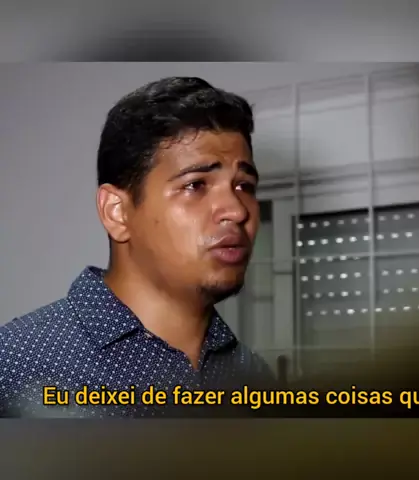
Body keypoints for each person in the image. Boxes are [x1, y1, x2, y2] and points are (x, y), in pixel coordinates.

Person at [0, 76, 275, 418]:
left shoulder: (254, 377)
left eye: (244, 186)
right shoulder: (13, 364)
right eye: (196, 185)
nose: (237, 210)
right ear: (117, 212)